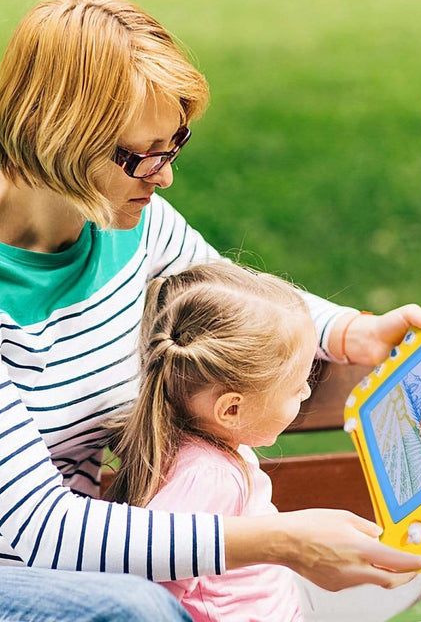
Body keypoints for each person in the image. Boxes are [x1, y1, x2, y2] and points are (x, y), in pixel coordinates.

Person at [0, 0, 421, 622]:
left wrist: (351, 333)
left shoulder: (122, 219)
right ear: (57, 137)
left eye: (174, 145)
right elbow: (43, 530)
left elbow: (226, 289)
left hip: (129, 566)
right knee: (137, 611)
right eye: (143, 155)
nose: (165, 175)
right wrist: (284, 542)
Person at [106, 261, 319, 620]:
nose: (307, 389)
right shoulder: (209, 477)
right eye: (297, 385)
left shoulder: (191, 440)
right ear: (232, 410)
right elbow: (147, 594)